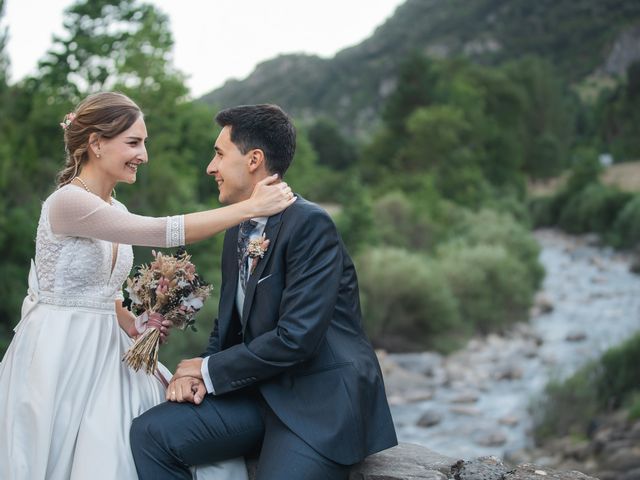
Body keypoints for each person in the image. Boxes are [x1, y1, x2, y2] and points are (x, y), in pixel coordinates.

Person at [0, 92, 295, 480]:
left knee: (125, 444)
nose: (144, 155)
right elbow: (161, 231)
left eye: (144, 143)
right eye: (133, 143)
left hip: (110, 347)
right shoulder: (67, 203)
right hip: (61, 351)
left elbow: (103, 291)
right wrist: (250, 207)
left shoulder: (115, 208)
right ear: (96, 143)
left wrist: (130, 322)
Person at [130, 104, 398, 480]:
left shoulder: (309, 224)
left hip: (316, 402)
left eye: (220, 154)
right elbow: (229, 325)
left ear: (254, 159)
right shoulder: (236, 229)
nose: (211, 167)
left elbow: (296, 338)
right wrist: (198, 375)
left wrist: (207, 369)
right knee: (151, 434)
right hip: (260, 394)